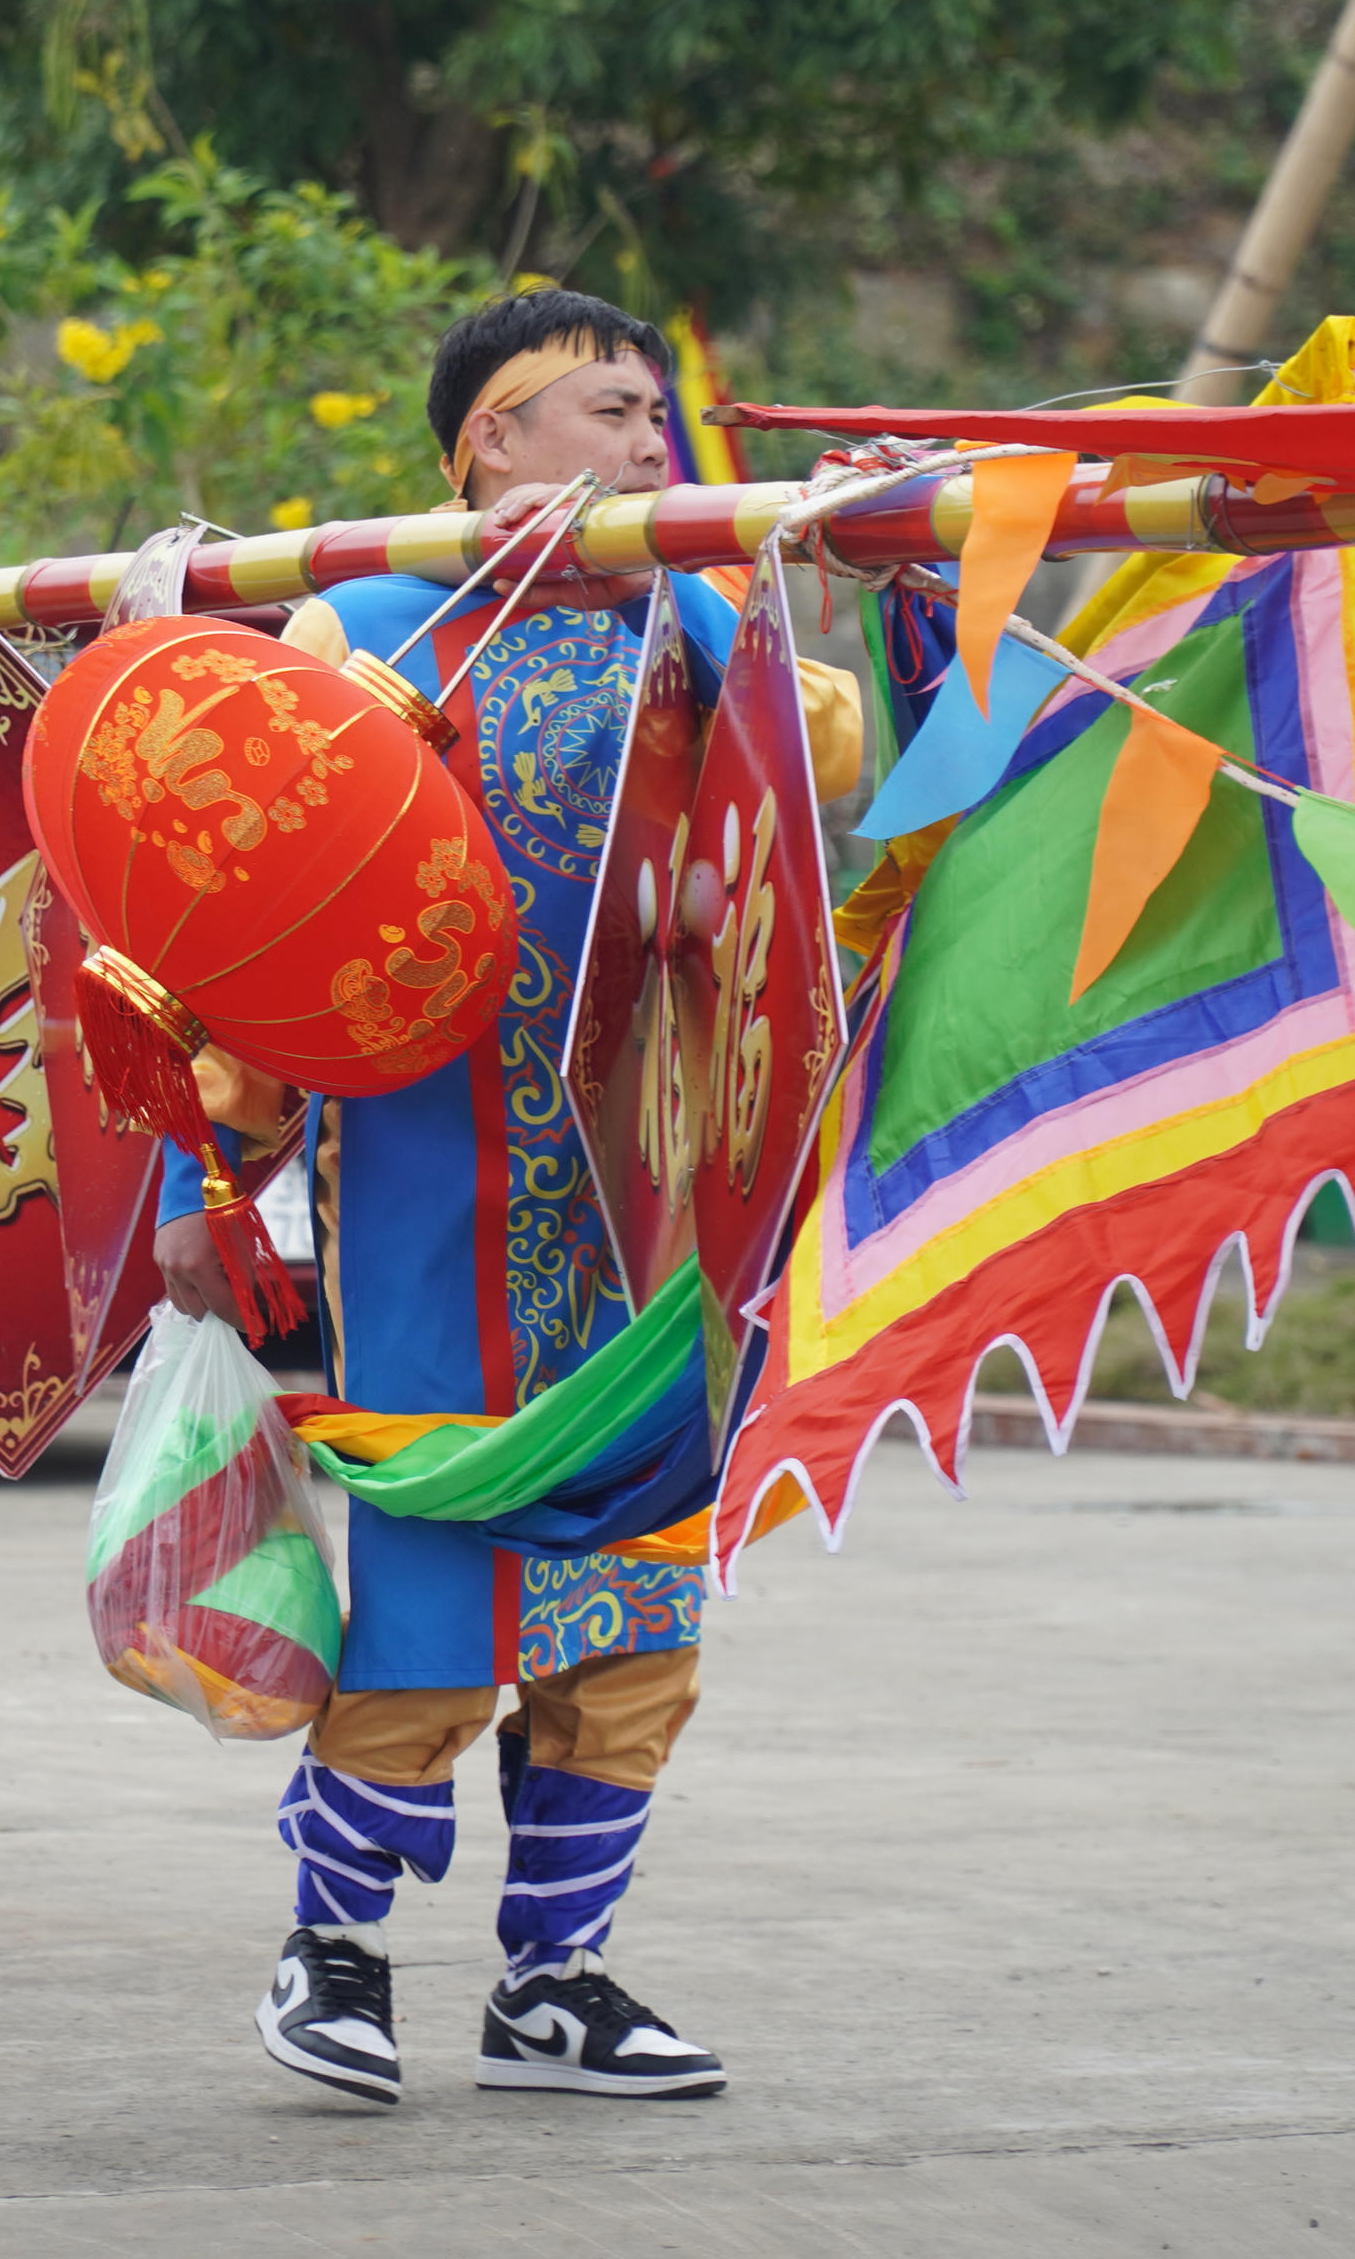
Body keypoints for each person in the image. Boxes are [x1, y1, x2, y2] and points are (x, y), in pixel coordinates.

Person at [153, 290, 864, 2104]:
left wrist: (863, 560)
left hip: (648, 1221)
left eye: (659, 418)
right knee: (431, 1606)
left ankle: (559, 1982)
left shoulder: (692, 621)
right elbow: (233, 928)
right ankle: (335, 1955)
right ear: (487, 442)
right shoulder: (365, 627)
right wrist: (207, 1175)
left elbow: (832, 758)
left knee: (632, 1617)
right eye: (611, 412)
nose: (651, 446)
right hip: (429, 1201)